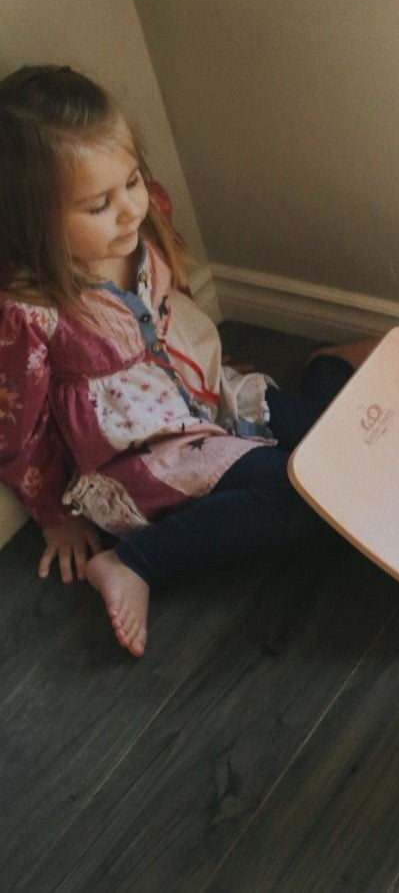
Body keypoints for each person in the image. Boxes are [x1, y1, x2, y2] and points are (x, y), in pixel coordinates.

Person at [0, 64, 375, 657]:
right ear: (31, 222)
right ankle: (137, 563)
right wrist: (52, 516)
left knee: (348, 446)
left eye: (131, 182)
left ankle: (325, 371)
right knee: (309, 497)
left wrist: (207, 372)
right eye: (99, 204)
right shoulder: (35, 309)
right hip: (150, 454)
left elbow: (175, 312)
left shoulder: (141, 229)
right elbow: (20, 425)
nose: (129, 209)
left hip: (212, 399)